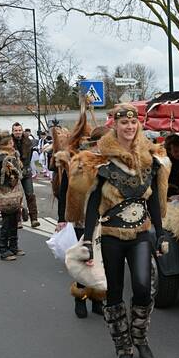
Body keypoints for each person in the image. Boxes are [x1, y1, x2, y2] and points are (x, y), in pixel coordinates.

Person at [83, 103, 170, 358]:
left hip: (141, 233)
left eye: (133, 123)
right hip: (111, 236)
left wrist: (160, 231)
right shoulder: (102, 162)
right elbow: (92, 203)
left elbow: (154, 199)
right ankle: (123, 347)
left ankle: (140, 338)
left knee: (144, 289)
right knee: (116, 291)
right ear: (115, 126)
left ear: (138, 125)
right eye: (124, 123)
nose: (129, 128)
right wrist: (87, 240)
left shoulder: (149, 159)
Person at [54, 122, 108, 319]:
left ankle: (98, 299)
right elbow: (65, 191)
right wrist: (62, 218)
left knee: (101, 262)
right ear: (97, 142)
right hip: (83, 219)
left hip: (105, 220)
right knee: (85, 259)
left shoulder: (111, 161)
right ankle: (80, 298)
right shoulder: (79, 162)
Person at [0, 132, 25, 261]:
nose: (13, 144)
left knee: (15, 220)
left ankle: (13, 247)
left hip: (13, 193)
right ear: (7, 144)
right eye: (11, 142)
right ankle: (3, 249)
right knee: (6, 222)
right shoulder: (0, 158)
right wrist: (8, 172)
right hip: (5, 193)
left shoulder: (13, 156)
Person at [12, 122, 40, 228]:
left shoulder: (29, 141)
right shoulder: (9, 142)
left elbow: (37, 158)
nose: (18, 132)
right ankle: (18, 220)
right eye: (16, 130)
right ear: (13, 131)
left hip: (26, 172)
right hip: (14, 173)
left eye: (19, 130)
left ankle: (34, 219)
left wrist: (39, 170)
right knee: (16, 197)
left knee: (30, 195)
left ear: (22, 131)